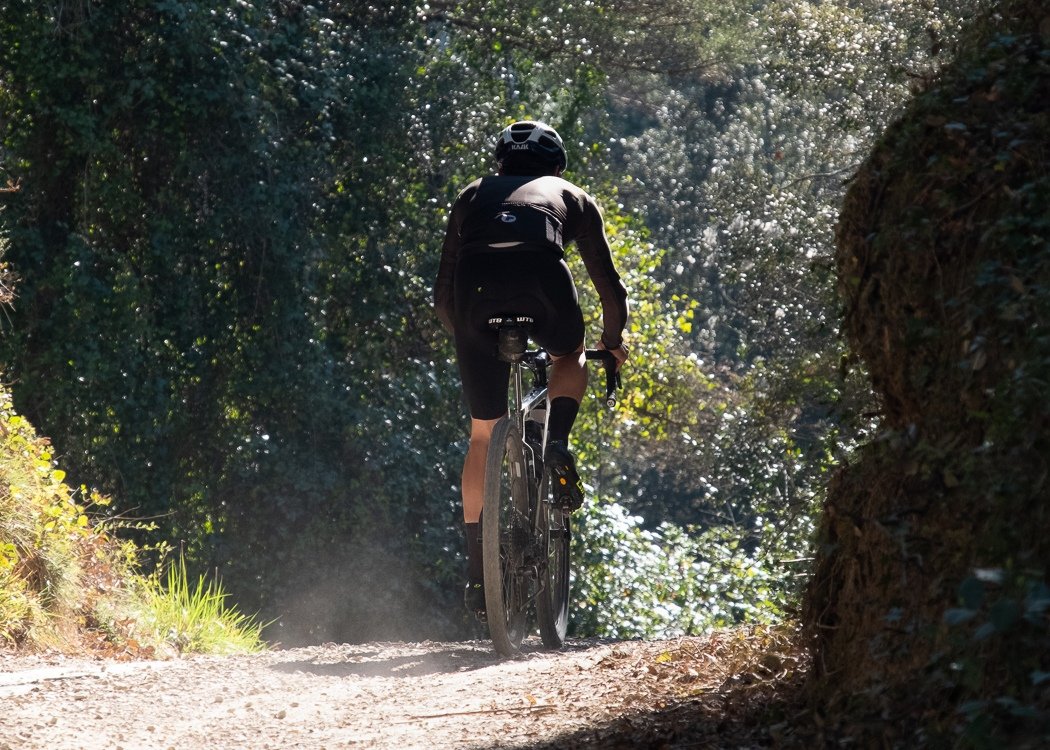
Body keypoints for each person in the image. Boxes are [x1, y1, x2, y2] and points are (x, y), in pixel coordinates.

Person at [434, 120, 629, 619]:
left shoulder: (471, 194)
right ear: (556, 165)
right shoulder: (571, 195)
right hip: (544, 283)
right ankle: (557, 442)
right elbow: (609, 287)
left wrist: (470, 338)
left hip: (474, 293)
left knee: (482, 436)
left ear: (500, 163)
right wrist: (612, 342)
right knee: (569, 355)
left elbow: (443, 292)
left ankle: (478, 572)